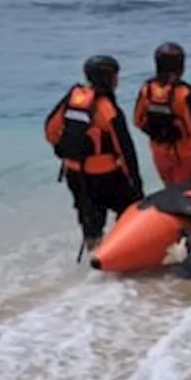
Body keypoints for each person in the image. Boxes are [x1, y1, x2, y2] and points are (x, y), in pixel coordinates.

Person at [45, 55, 144, 256]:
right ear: (109, 79)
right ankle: (123, 253)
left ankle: (95, 257)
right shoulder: (108, 109)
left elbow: (50, 130)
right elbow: (125, 151)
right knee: (130, 209)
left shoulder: (71, 98)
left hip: (75, 173)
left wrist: (67, 153)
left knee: (90, 219)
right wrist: (136, 183)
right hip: (105, 176)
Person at [133, 42, 191, 186]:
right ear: (181, 67)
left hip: (158, 151)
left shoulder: (147, 89)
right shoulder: (185, 92)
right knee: (187, 191)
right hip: (182, 153)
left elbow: (137, 121)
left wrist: (157, 133)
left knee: (169, 188)